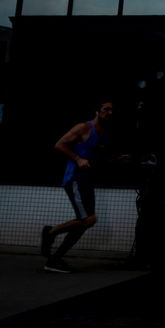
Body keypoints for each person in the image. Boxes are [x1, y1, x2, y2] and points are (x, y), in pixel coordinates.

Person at [41, 101, 131, 273]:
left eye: (112, 110)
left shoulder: (106, 133)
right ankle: (51, 232)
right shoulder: (83, 127)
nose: (110, 112)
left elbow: (98, 157)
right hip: (75, 179)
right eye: (106, 109)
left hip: (88, 182)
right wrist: (78, 159)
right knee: (88, 220)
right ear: (97, 111)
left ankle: (54, 260)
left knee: (85, 223)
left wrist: (116, 160)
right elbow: (59, 144)